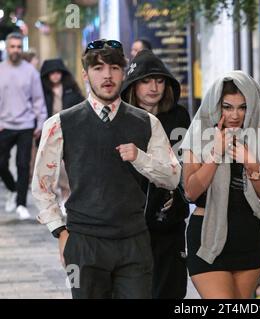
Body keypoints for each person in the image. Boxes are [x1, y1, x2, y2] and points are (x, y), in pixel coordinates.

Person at [32, 39, 181, 299]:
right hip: (84, 242)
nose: (107, 75)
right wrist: (60, 231)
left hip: (134, 241)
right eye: (98, 68)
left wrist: (140, 158)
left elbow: (172, 177)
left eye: (114, 67)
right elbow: (42, 185)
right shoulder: (60, 123)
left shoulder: (147, 122)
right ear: (85, 74)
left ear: (124, 72)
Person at [180, 70, 260, 298]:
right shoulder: (198, 133)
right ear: (217, 106)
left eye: (242, 107)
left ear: (252, 106)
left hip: (247, 236)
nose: (235, 115)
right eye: (228, 107)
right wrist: (216, 154)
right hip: (207, 235)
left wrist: (251, 165)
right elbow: (191, 192)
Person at [121, 49, 191, 299]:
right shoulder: (122, 118)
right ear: (133, 84)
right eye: (146, 80)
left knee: (171, 290)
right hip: (130, 223)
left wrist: (179, 195)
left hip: (170, 223)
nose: (154, 87)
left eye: (159, 80)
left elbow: (186, 162)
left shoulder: (179, 116)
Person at [0, 32, 47, 219]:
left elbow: (38, 100)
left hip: (26, 125)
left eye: (19, 47)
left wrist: (40, 122)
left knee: (22, 164)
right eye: (12, 46)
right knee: (1, 163)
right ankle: (12, 190)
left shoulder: (31, 72)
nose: (16, 50)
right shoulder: (1, 70)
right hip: (4, 125)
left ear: (22, 49)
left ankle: (21, 203)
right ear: (7, 47)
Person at [39, 58, 85, 206]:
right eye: (51, 73)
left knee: (65, 165)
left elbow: (81, 107)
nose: (55, 75)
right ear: (47, 75)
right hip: (47, 132)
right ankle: (56, 191)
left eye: (57, 72)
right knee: (47, 165)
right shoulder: (42, 91)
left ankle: (65, 194)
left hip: (68, 131)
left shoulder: (71, 88)